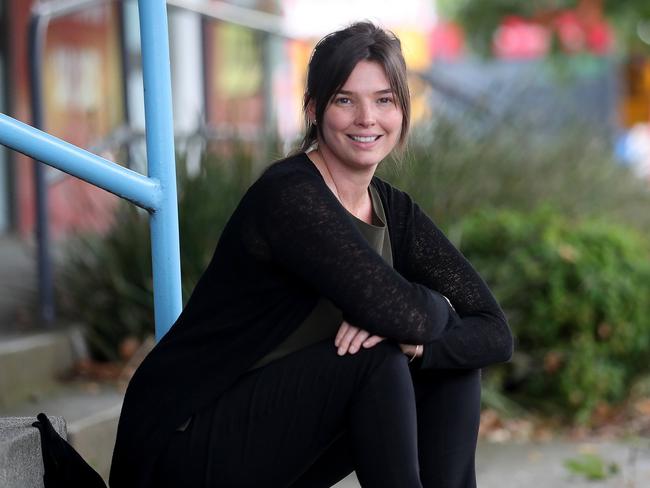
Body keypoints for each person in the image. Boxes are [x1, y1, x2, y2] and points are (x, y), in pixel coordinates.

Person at [109, 21, 513, 488]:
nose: (367, 118)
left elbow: (494, 332)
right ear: (314, 110)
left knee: (447, 362)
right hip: (184, 443)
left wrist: (418, 334)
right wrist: (428, 312)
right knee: (377, 358)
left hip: (275, 438)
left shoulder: (392, 208)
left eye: (384, 100)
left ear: (403, 111)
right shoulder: (290, 197)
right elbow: (403, 316)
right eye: (345, 99)